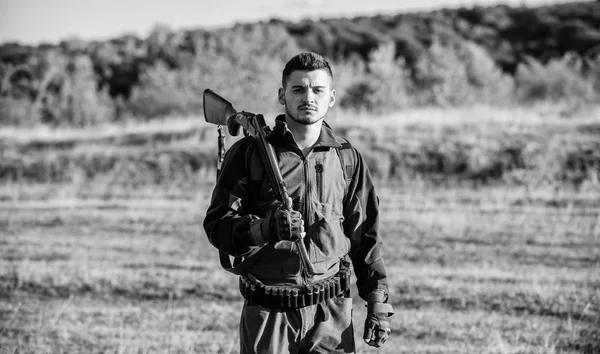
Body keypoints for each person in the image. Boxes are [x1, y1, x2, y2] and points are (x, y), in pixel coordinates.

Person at [203, 52, 394, 353]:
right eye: (298, 89)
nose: (308, 97)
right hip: (270, 314)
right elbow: (217, 226)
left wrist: (378, 301)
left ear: (331, 98)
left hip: (332, 316)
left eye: (317, 90)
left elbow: (366, 237)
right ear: (282, 95)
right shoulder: (250, 154)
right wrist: (263, 230)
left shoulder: (346, 158)